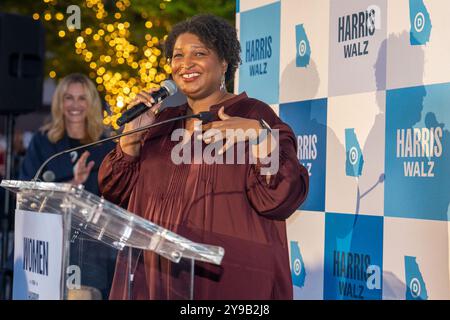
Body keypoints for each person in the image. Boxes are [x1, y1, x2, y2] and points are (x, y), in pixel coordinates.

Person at [98, 14, 309, 300]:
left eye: (199, 53)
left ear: (224, 63)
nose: (185, 64)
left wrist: (261, 139)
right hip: (157, 279)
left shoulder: (252, 115)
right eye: (178, 55)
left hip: (228, 281)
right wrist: (132, 135)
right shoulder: (161, 123)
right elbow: (115, 192)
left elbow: (280, 197)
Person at [19, 73, 116, 299]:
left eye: (82, 98)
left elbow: (116, 197)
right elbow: (27, 194)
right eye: (68, 98)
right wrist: (72, 184)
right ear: (59, 102)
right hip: (47, 246)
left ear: (91, 103)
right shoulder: (43, 142)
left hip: (92, 252)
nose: (75, 105)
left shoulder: (106, 145)